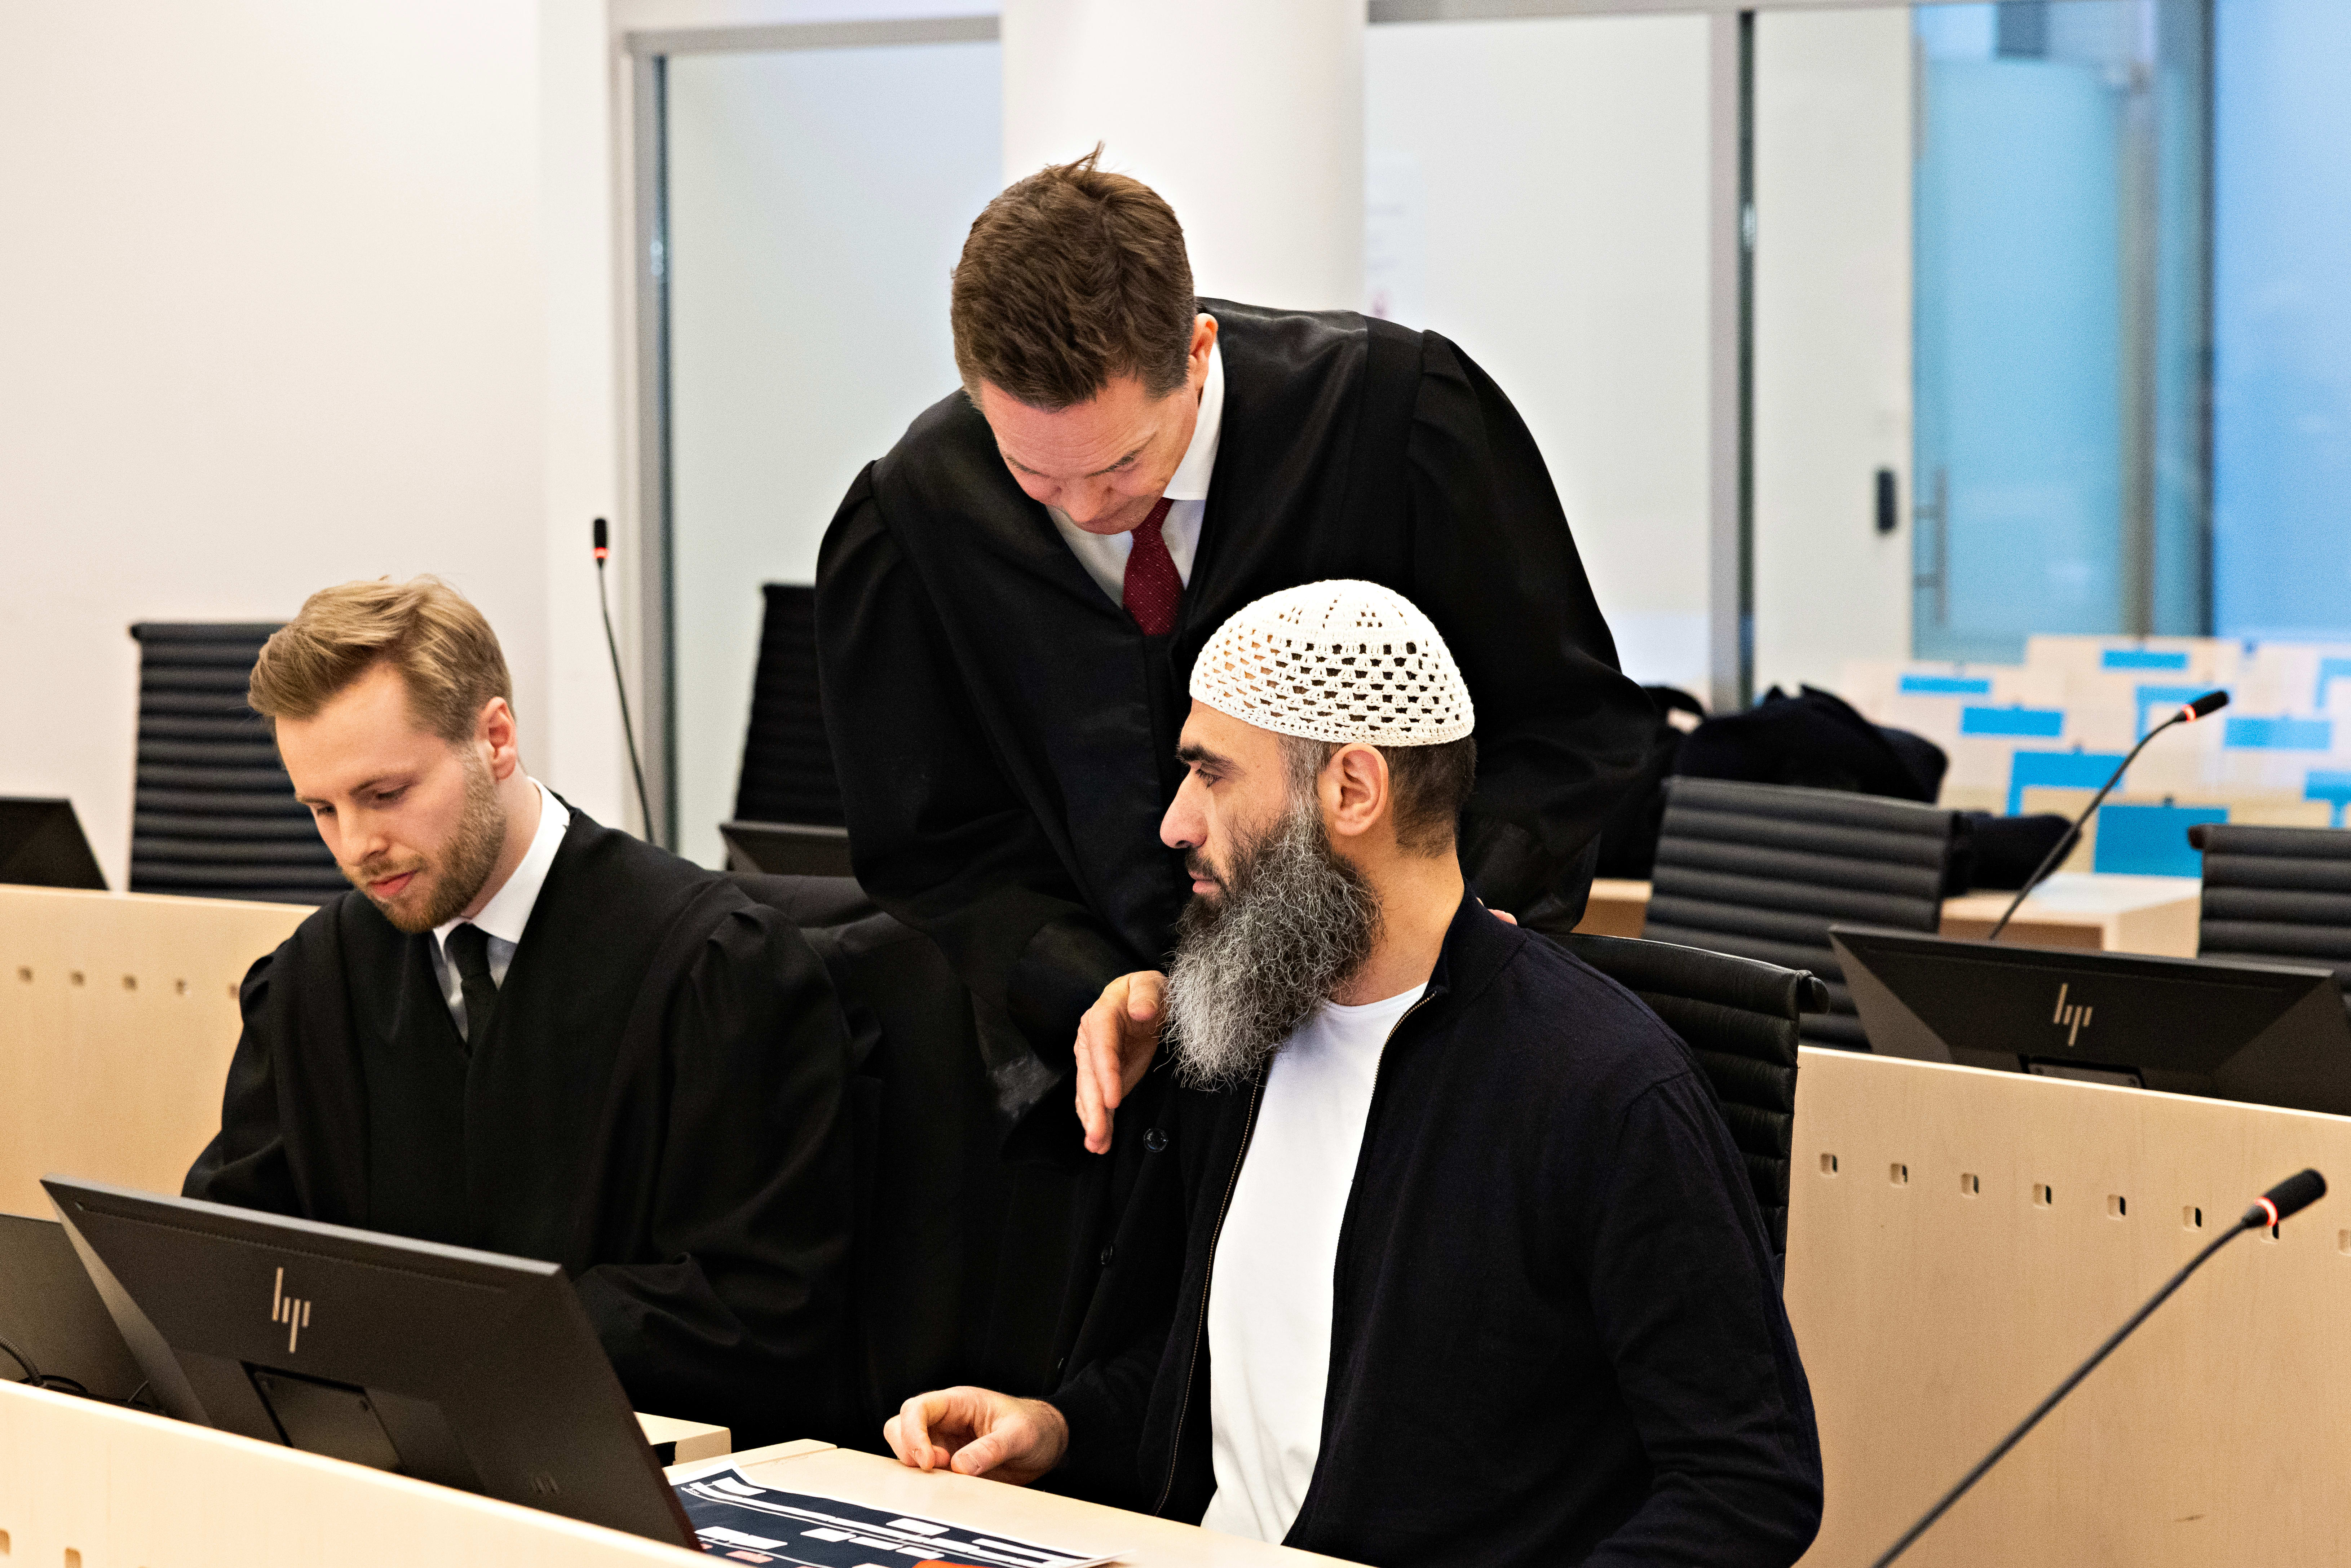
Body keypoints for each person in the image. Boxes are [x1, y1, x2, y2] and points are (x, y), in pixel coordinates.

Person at [880, 583, 1822, 1568]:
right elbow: (1230, 1380)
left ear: (1352, 790)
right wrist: (1058, 1427)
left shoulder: (1604, 1088)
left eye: (1210, 774)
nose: (1175, 822)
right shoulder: (1237, 1033)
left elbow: (1747, 1485)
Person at [816, 150, 1655, 1156]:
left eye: (1124, 462)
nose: (1084, 507)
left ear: (1197, 349)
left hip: (1411, 1054)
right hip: (1116, 1099)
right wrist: (1083, 981)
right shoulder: (919, 515)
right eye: (1032, 471)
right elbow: (937, 844)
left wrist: (1452, 915)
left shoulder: (1391, 420)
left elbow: (1567, 729)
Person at [185, 577, 853, 1445]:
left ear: (495, 739)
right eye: (322, 809)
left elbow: (764, 1303)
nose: (356, 846)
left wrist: (463, 1335)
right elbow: (235, 1249)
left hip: (643, 1464)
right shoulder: (317, 979)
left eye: (385, 794)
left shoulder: (709, 967)